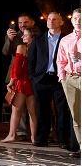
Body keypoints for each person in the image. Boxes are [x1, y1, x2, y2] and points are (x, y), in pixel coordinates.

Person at [28, 12, 71, 148]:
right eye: (49, 19)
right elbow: (31, 59)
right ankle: (42, 138)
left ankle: (63, 140)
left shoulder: (66, 39)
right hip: (41, 80)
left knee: (62, 110)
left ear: (61, 22)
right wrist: (33, 77)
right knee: (42, 110)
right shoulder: (38, 39)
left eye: (55, 19)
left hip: (60, 79)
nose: (51, 21)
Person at [2, 26, 40, 143]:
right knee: (32, 112)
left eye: (25, 34)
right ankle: (34, 137)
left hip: (22, 82)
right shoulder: (38, 48)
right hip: (32, 82)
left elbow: (16, 67)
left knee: (16, 110)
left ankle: (12, 135)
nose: (22, 36)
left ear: (32, 36)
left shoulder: (21, 47)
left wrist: (11, 82)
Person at [57, 8, 81, 158]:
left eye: (81, 18)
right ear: (71, 21)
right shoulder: (65, 40)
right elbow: (61, 61)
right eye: (76, 18)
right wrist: (62, 78)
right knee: (76, 115)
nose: (78, 21)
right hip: (70, 79)